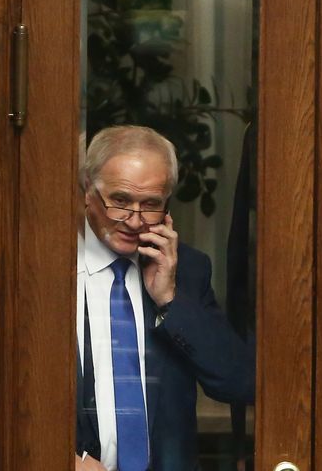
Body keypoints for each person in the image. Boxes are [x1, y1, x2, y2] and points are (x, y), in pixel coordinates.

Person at [75, 125, 255, 471]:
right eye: (120, 201)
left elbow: (239, 382)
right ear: (87, 190)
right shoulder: (49, 270)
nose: (134, 221)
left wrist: (170, 299)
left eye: (151, 205)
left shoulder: (187, 270)